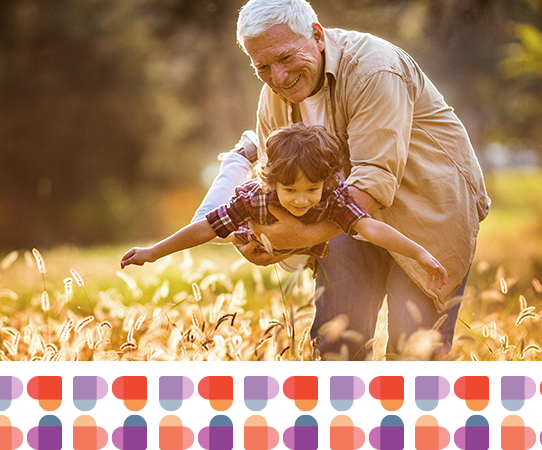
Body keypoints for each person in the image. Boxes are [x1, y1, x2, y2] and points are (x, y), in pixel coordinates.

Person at [191, 0, 490, 361]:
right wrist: (267, 240)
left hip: (427, 211)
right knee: (337, 345)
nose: (278, 77)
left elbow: (373, 183)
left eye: (285, 58)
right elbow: (275, 181)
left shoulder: (374, 70)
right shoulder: (272, 96)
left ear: (316, 35)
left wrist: (299, 236)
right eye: (264, 67)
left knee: (413, 351)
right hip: (344, 217)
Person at [122, 123, 449, 294]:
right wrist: (153, 251)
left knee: (341, 236)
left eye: (311, 189)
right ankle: (240, 156)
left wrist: (418, 253)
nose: (302, 199)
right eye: (290, 190)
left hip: (300, 243)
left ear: (325, 183)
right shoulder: (254, 197)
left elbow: (372, 228)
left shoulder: (332, 197)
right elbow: (205, 227)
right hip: (254, 231)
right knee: (209, 226)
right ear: (273, 182)